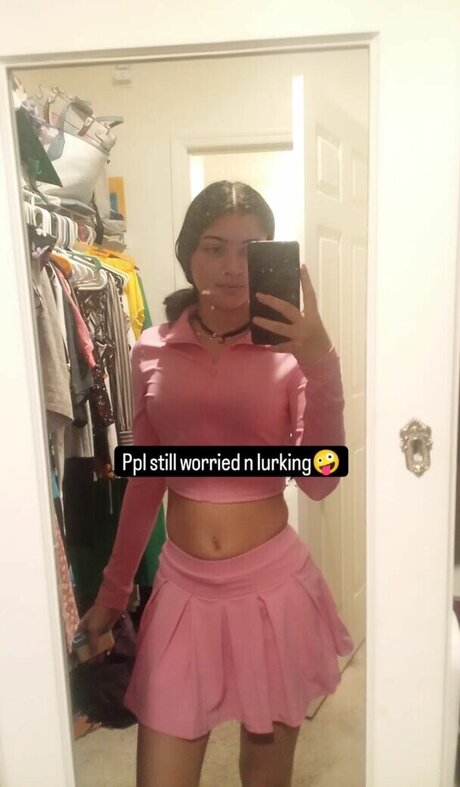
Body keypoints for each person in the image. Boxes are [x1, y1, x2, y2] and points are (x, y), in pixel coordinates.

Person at [78, 180, 353, 787]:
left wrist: (321, 361)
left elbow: (320, 480)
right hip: (182, 592)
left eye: (251, 250)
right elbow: (145, 478)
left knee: (265, 776)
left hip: (271, 593)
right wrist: (113, 593)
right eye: (214, 247)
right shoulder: (152, 348)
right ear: (187, 254)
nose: (233, 268)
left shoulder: (290, 353)